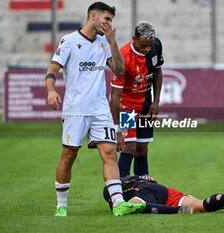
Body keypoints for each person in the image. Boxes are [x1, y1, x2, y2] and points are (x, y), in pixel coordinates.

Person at [45, 2, 145, 217]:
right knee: (69, 155)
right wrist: (51, 90)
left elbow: (119, 70)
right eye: (106, 19)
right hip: (76, 109)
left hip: (100, 110)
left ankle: (118, 203)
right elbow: (52, 69)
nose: (109, 23)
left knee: (109, 153)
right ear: (93, 16)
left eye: (111, 20)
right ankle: (61, 205)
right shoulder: (69, 41)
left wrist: (112, 41)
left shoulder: (105, 42)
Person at [110, 21, 164, 177]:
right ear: (133, 38)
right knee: (129, 147)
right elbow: (114, 95)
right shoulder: (123, 57)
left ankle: (144, 186)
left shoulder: (156, 46)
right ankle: (122, 188)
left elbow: (158, 72)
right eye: (143, 46)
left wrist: (156, 101)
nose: (147, 49)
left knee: (142, 148)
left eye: (149, 45)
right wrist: (117, 129)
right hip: (127, 107)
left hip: (146, 106)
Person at [103, 175, 224, 214]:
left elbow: (120, 206)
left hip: (149, 192)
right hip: (166, 191)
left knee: (136, 207)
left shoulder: (115, 188)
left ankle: (178, 210)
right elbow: (152, 179)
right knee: (201, 206)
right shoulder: (135, 177)